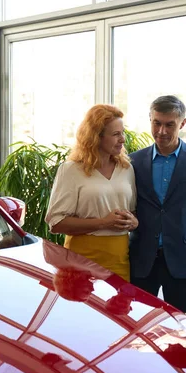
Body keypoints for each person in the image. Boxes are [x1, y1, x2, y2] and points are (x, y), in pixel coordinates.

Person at [129, 95, 186, 318]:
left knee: (184, 331)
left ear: (182, 123)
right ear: (150, 119)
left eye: (169, 124)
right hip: (141, 261)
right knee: (137, 328)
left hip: (183, 262)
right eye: (156, 123)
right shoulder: (133, 161)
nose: (161, 131)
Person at [45, 104, 138, 282]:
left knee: (119, 310)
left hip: (120, 259)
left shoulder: (126, 168)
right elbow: (56, 223)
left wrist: (133, 222)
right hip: (80, 260)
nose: (123, 139)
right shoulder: (71, 170)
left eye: (122, 132)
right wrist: (103, 222)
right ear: (97, 137)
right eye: (116, 134)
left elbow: (132, 212)